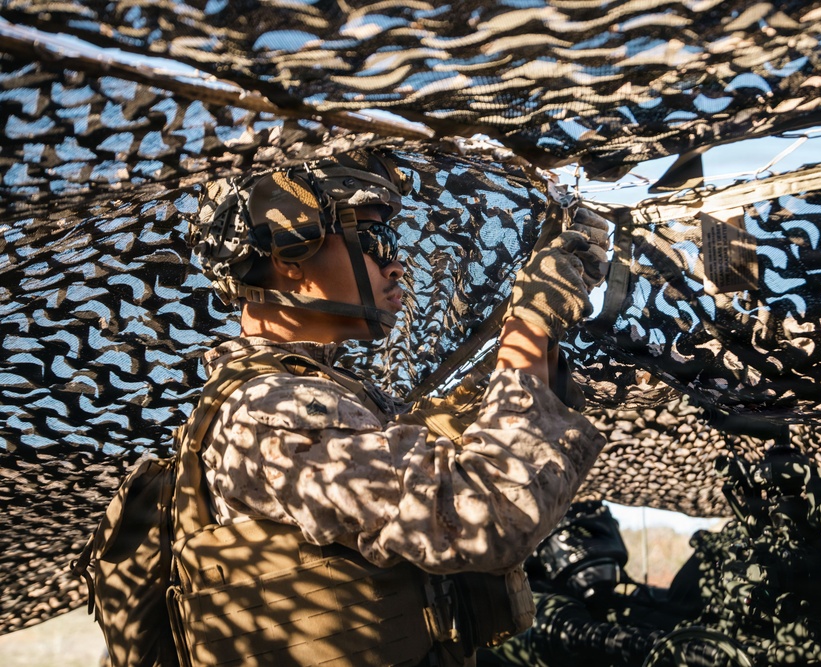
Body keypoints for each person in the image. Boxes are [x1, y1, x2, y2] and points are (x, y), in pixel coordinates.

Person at [182, 149, 610, 666]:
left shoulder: (319, 392)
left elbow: (440, 451)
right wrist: (530, 325)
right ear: (287, 253)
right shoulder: (269, 411)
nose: (395, 263)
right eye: (375, 237)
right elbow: (487, 514)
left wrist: (537, 342)